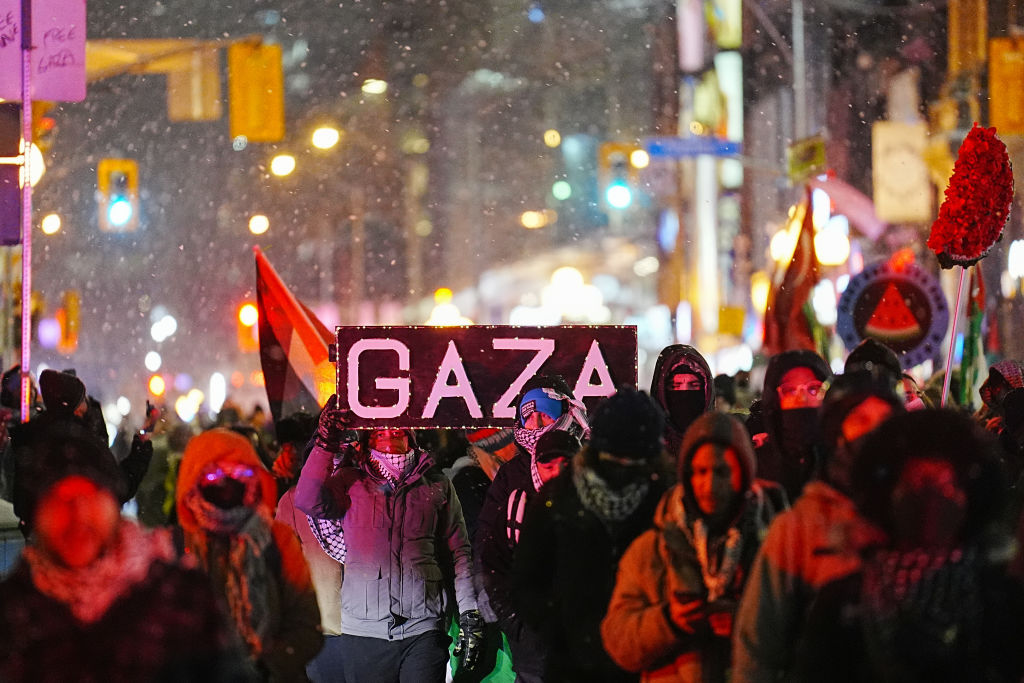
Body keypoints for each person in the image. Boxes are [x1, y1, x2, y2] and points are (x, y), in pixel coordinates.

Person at [0, 421, 247, 682]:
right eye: (62, 499)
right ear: (38, 513)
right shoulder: (12, 615)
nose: (78, 515)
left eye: (91, 496)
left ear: (113, 503)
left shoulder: (181, 600)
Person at [792, 409, 1024, 683]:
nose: (931, 498)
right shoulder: (844, 602)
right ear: (887, 497)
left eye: (946, 484)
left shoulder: (1000, 600)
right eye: (917, 482)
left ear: (972, 499)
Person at [732, 369, 903, 683]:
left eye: (884, 423)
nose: (874, 434)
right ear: (837, 432)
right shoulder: (798, 529)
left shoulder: (917, 521)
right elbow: (757, 649)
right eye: (861, 421)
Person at [295, 401, 484, 683]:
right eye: (380, 433)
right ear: (369, 440)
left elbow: (459, 553)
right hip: (365, 632)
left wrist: (469, 612)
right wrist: (325, 442)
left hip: (423, 627)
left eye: (398, 431)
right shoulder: (351, 481)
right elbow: (307, 499)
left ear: (411, 437)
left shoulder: (437, 485)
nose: (389, 436)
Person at [602, 412, 786, 682]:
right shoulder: (653, 549)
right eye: (700, 471)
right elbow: (618, 641)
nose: (710, 485)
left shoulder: (777, 545)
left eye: (723, 471)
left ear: (745, 472)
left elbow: (812, 636)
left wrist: (748, 626)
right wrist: (668, 621)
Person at [512, 386, 667, 683]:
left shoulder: (664, 500)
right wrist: (563, 629)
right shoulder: (560, 498)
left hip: (646, 659)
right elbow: (526, 580)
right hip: (574, 663)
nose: (624, 464)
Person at [176, 428, 323, 682]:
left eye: (240, 473)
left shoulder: (276, 539)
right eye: (214, 474)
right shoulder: (174, 548)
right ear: (194, 478)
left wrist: (261, 669)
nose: (227, 482)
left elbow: (306, 625)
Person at [473, 374, 589, 682]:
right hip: (532, 637)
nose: (537, 424)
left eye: (545, 415)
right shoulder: (511, 475)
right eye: (530, 417)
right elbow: (488, 550)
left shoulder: (592, 466)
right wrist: (515, 623)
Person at [751, 349, 832, 501]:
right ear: (774, 400)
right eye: (790, 391)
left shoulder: (841, 463)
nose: (802, 398)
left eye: (813, 389)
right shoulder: (758, 467)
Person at [650, 344, 715, 463]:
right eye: (675, 386)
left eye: (694, 385)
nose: (684, 394)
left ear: (706, 391)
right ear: (661, 391)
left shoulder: (719, 442)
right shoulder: (648, 445)